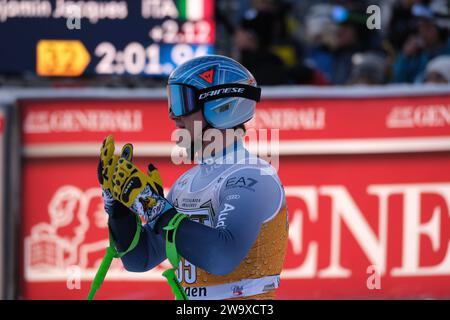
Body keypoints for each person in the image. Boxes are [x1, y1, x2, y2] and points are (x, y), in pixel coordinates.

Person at [97, 55, 289, 300]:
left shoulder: (252, 177)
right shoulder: (186, 183)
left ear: (221, 106)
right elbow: (140, 259)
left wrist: (154, 207)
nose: (173, 116)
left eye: (181, 102)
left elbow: (221, 258)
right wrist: (120, 209)